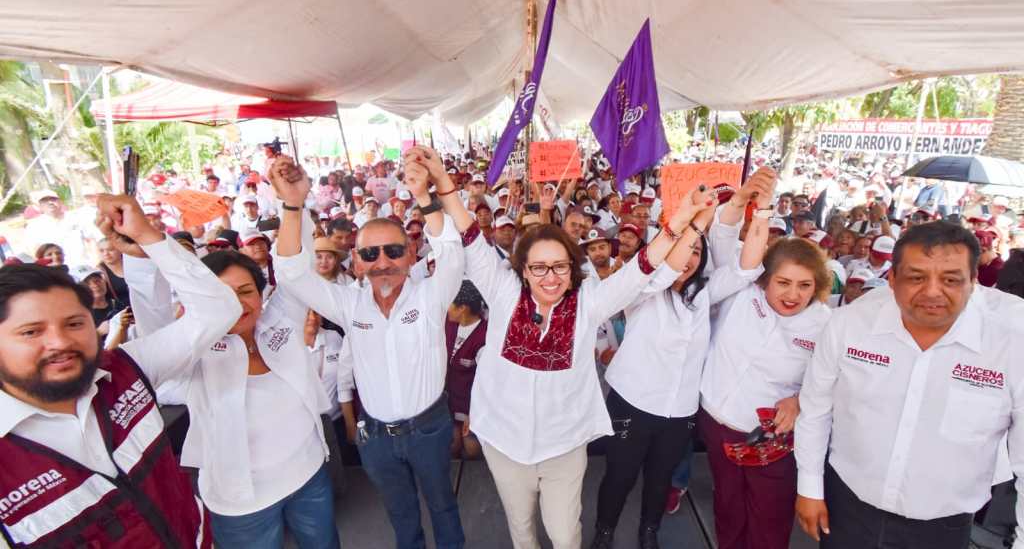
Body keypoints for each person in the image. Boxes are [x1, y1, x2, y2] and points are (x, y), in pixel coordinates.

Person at [420, 144, 712, 549]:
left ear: (572, 270)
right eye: (538, 267)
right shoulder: (503, 292)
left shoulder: (589, 303)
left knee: (565, 534)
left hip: (564, 446)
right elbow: (470, 235)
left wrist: (683, 221)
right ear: (523, 269)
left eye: (559, 266)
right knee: (522, 532)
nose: (550, 277)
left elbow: (644, 267)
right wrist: (444, 184)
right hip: (505, 443)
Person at [0, 193, 241, 548]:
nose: (60, 342)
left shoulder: (126, 369)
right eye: (31, 332)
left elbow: (218, 310)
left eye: (74, 323)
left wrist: (149, 239)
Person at [271, 150, 466, 549]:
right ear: (356, 263)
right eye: (369, 254)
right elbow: (291, 273)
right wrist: (293, 204)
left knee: (443, 507)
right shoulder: (348, 304)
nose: (382, 262)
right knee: (400, 515)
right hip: (374, 435)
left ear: (411, 255)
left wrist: (425, 196)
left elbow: (452, 253)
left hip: (429, 428)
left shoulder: (431, 297)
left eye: (393, 251)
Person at [795, 221, 1024, 549]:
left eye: (950, 279)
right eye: (916, 277)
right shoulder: (850, 324)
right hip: (846, 501)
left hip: (944, 523)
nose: (932, 291)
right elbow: (816, 408)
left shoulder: (1013, 338)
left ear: (974, 281)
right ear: (891, 278)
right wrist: (809, 487)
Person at [118, 216, 341, 548]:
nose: (236, 304)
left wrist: (293, 206)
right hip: (242, 502)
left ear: (261, 292)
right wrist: (141, 255)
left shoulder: (281, 319)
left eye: (245, 291)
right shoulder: (194, 349)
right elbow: (154, 319)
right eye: (220, 296)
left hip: (309, 474)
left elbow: (297, 263)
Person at [592, 168, 778, 549]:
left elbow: (748, 265)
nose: (690, 258)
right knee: (620, 476)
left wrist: (762, 209)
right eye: (686, 249)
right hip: (633, 403)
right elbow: (665, 269)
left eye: (697, 252)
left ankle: (649, 532)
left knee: (660, 480)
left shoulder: (705, 293)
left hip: (679, 411)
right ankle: (604, 533)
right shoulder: (642, 289)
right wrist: (696, 224)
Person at [698, 226, 833, 549]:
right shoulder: (741, 295)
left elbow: (837, 383)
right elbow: (722, 243)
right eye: (783, 283)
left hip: (772, 441)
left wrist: (800, 400)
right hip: (717, 424)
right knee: (728, 507)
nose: (793, 295)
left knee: (769, 520)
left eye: (805, 286)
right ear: (764, 279)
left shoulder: (827, 325)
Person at [445, 280, 487, 460]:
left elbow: (485, 381)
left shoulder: (485, 336)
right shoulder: (448, 324)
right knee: (451, 446)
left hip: (472, 403)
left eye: (450, 303)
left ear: (462, 308)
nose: (446, 308)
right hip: (449, 400)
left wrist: (472, 414)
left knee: (471, 449)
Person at [98, 237, 131, 307]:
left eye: (110, 249)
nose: (106, 253)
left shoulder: (132, 262)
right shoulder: (99, 273)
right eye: (101, 251)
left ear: (120, 249)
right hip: (125, 312)